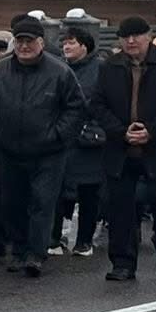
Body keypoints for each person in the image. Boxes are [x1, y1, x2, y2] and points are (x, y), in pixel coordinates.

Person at [91, 16, 156, 281]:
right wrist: (120, 131)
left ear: (149, 36)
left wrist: (152, 131)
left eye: (136, 35)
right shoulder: (110, 66)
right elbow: (98, 104)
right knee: (120, 208)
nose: (131, 41)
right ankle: (122, 263)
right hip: (121, 149)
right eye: (125, 37)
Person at [0, 15, 84, 276]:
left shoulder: (60, 72)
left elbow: (75, 108)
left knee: (42, 203)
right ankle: (18, 250)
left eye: (29, 41)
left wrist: (57, 136)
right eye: (19, 41)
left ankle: (36, 253)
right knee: (12, 203)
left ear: (41, 42)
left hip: (48, 153)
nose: (24, 46)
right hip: (10, 150)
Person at [58, 26, 106, 256]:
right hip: (63, 138)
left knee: (89, 192)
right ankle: (56, 237)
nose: (66, 47)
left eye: (71, 42)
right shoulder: (59, 68)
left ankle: (85, 240)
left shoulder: (100, 69)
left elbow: (106, 101)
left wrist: (95, 126)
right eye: (64, 43)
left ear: (84, 46)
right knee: (60, 190)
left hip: (90, 141)